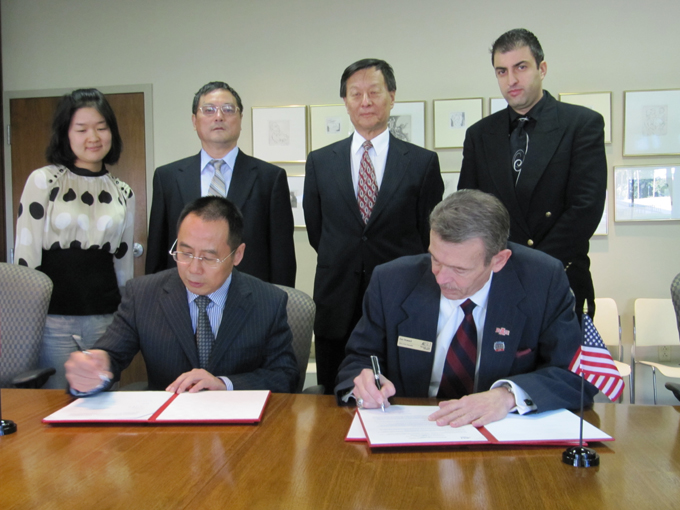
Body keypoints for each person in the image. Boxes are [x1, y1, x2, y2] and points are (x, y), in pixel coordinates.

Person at [336, 190, 597, 428]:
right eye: (435, 259)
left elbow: (575, 374)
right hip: (415, 428)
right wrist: (364, 382)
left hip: (501, 434)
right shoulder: (392, 281)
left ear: (499, 260)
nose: (440, 278)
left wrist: (507, 395)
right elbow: (358, 359)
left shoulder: (543, 282)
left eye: (459, 269)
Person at [303, 58, 444, 393]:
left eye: (374, 92)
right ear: (345, 101)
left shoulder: (421, 162)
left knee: (399, 393)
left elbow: (427, 234)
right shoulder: (320, 162)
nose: (365, 101)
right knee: (336, 396)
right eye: (355, 94)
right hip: (336, 299)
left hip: (401, 298)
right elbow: (317, 230)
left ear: (392, 96)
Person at [65, 196, 299, 395]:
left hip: (241, 426)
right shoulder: (142, 295)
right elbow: (111, 355)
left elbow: (284, 375)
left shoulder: (268, 301)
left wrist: (225, 385)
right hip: (166, 426)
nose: (194, 269)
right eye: (185, 253)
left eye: (209, 258)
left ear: (237, 255)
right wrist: (94, 367)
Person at [458, 28, 607, 321]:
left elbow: (585, 208)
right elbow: (469, 209)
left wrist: (532, 266)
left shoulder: (581, 124)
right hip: (496, 280)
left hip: (559, 275)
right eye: (502, 71)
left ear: (542, 69)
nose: (511, 80)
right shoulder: (480, 134)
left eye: (521, 67)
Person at [14, 89, 134, 389]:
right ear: (65, 134)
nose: (93, 137)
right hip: (53, 318)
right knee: (58, 401)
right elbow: (26, 255)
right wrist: (24, 322)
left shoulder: (123, 191)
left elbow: (123, 262)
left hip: (106, 316)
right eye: (81, 129)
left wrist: (125, 316)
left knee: (105, 399)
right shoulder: (43, 181)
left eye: (101, 127)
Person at [146, 81, 296, 287]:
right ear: (194, 121)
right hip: (182, 293)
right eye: (209, 110)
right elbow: (157, 249)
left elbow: (282, 255)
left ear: (240, 119)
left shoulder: (270, 178)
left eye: (228, 109)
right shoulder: (167, 177)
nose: (218, 116)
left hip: (249, 295)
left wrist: (280, 299)